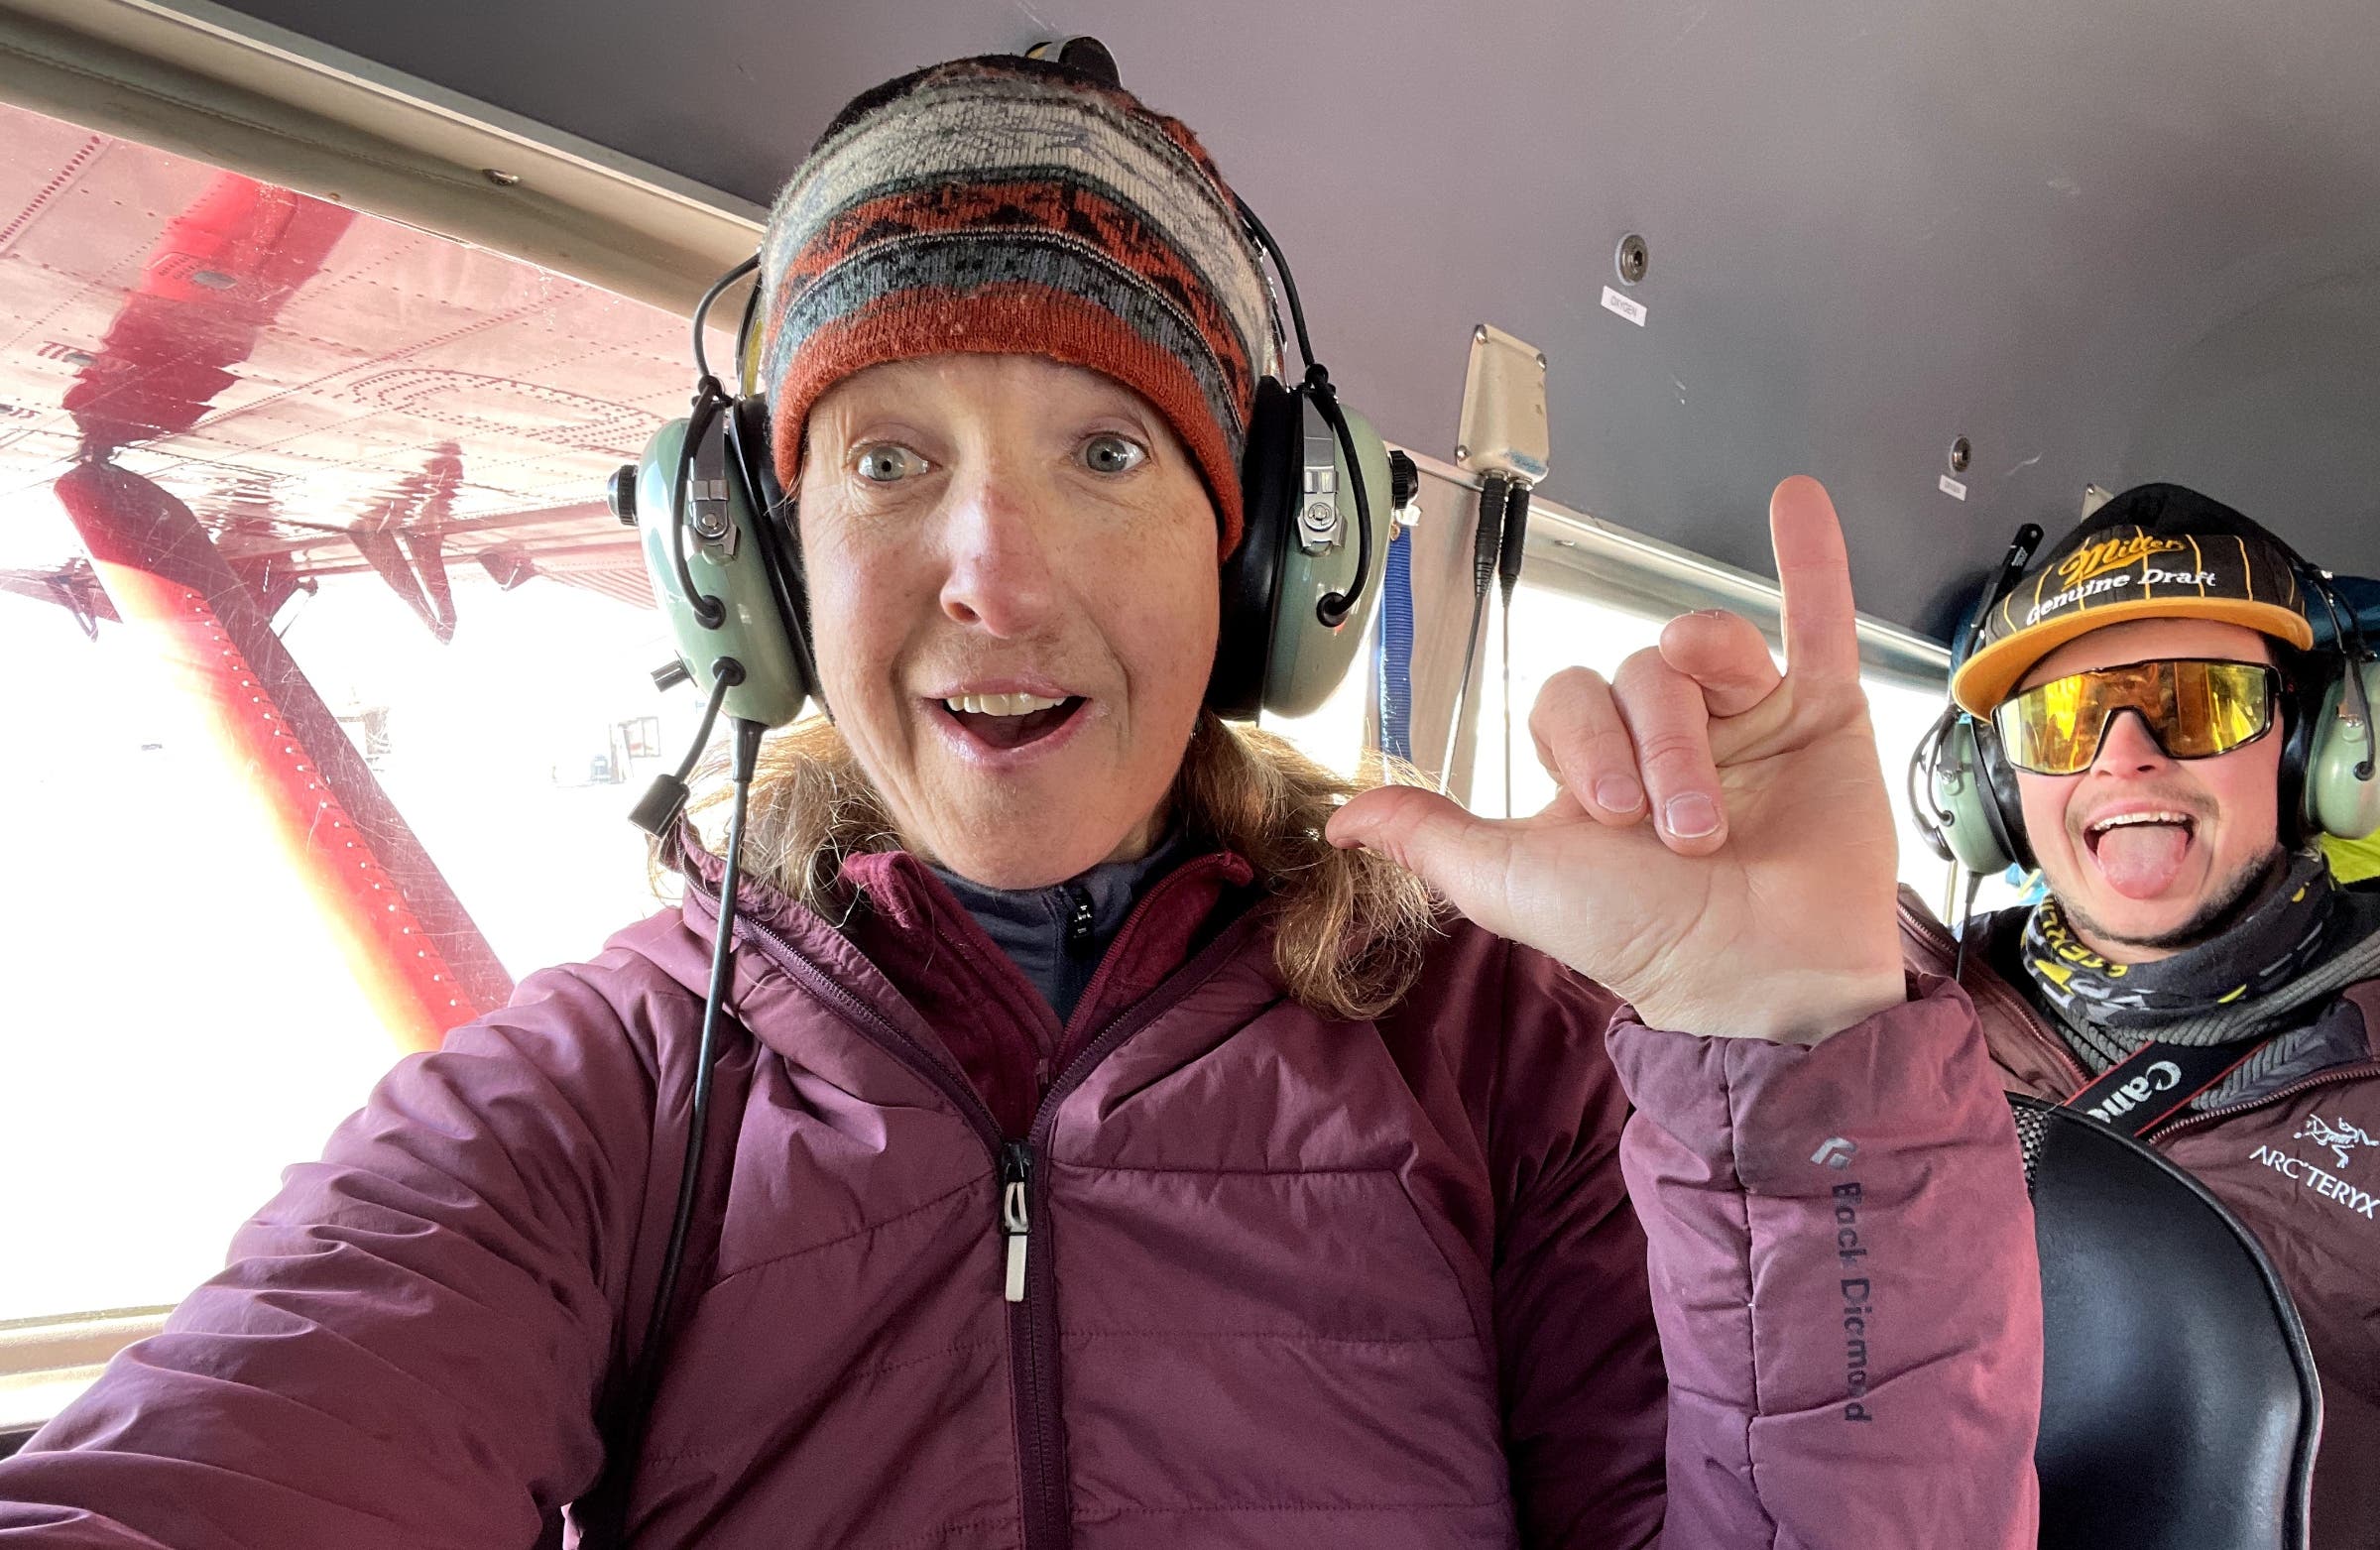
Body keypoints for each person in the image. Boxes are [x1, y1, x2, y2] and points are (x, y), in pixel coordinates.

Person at [0, 56, 2040, 1548]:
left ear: (1266, 568)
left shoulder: (1492, 1048)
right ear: (763, 565)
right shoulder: (617, 1085)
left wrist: (1796, 1067)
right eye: (886, 460)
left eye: (1110, 454)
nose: (995, 572)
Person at [1902, 481, 2380, 1547]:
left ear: (2311, 749)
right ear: (1993, 787)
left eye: (2197, 702)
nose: (2124, 754)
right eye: (2061, 722)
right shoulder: (1888, 1017)